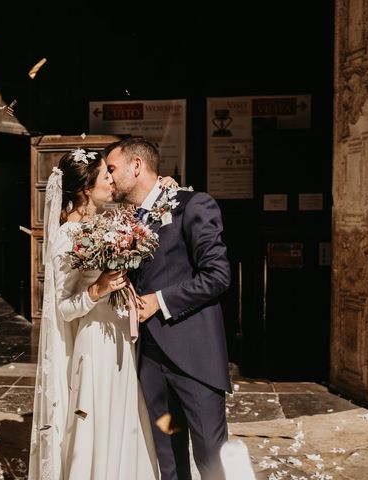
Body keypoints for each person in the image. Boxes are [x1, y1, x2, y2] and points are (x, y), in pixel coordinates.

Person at [29, 148, 176, 480]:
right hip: (95, 340)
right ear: (86, 188)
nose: (112, 180)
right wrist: (98, 290)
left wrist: (167, 189)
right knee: (99, 418)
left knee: (123, 418)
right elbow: (63, 308)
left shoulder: (107, 221)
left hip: (121, 335)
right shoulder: (68, 235)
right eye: (105, 176)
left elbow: (154, 213)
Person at [106, 137, 232, 480]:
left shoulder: (193, 205)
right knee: (168, 457)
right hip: (151, 361)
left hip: (194, 359)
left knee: (210, 456)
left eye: (112, 169)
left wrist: (159, 301)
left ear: (136, 166)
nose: (108, 178)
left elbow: (218, 276)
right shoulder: (126, 220)